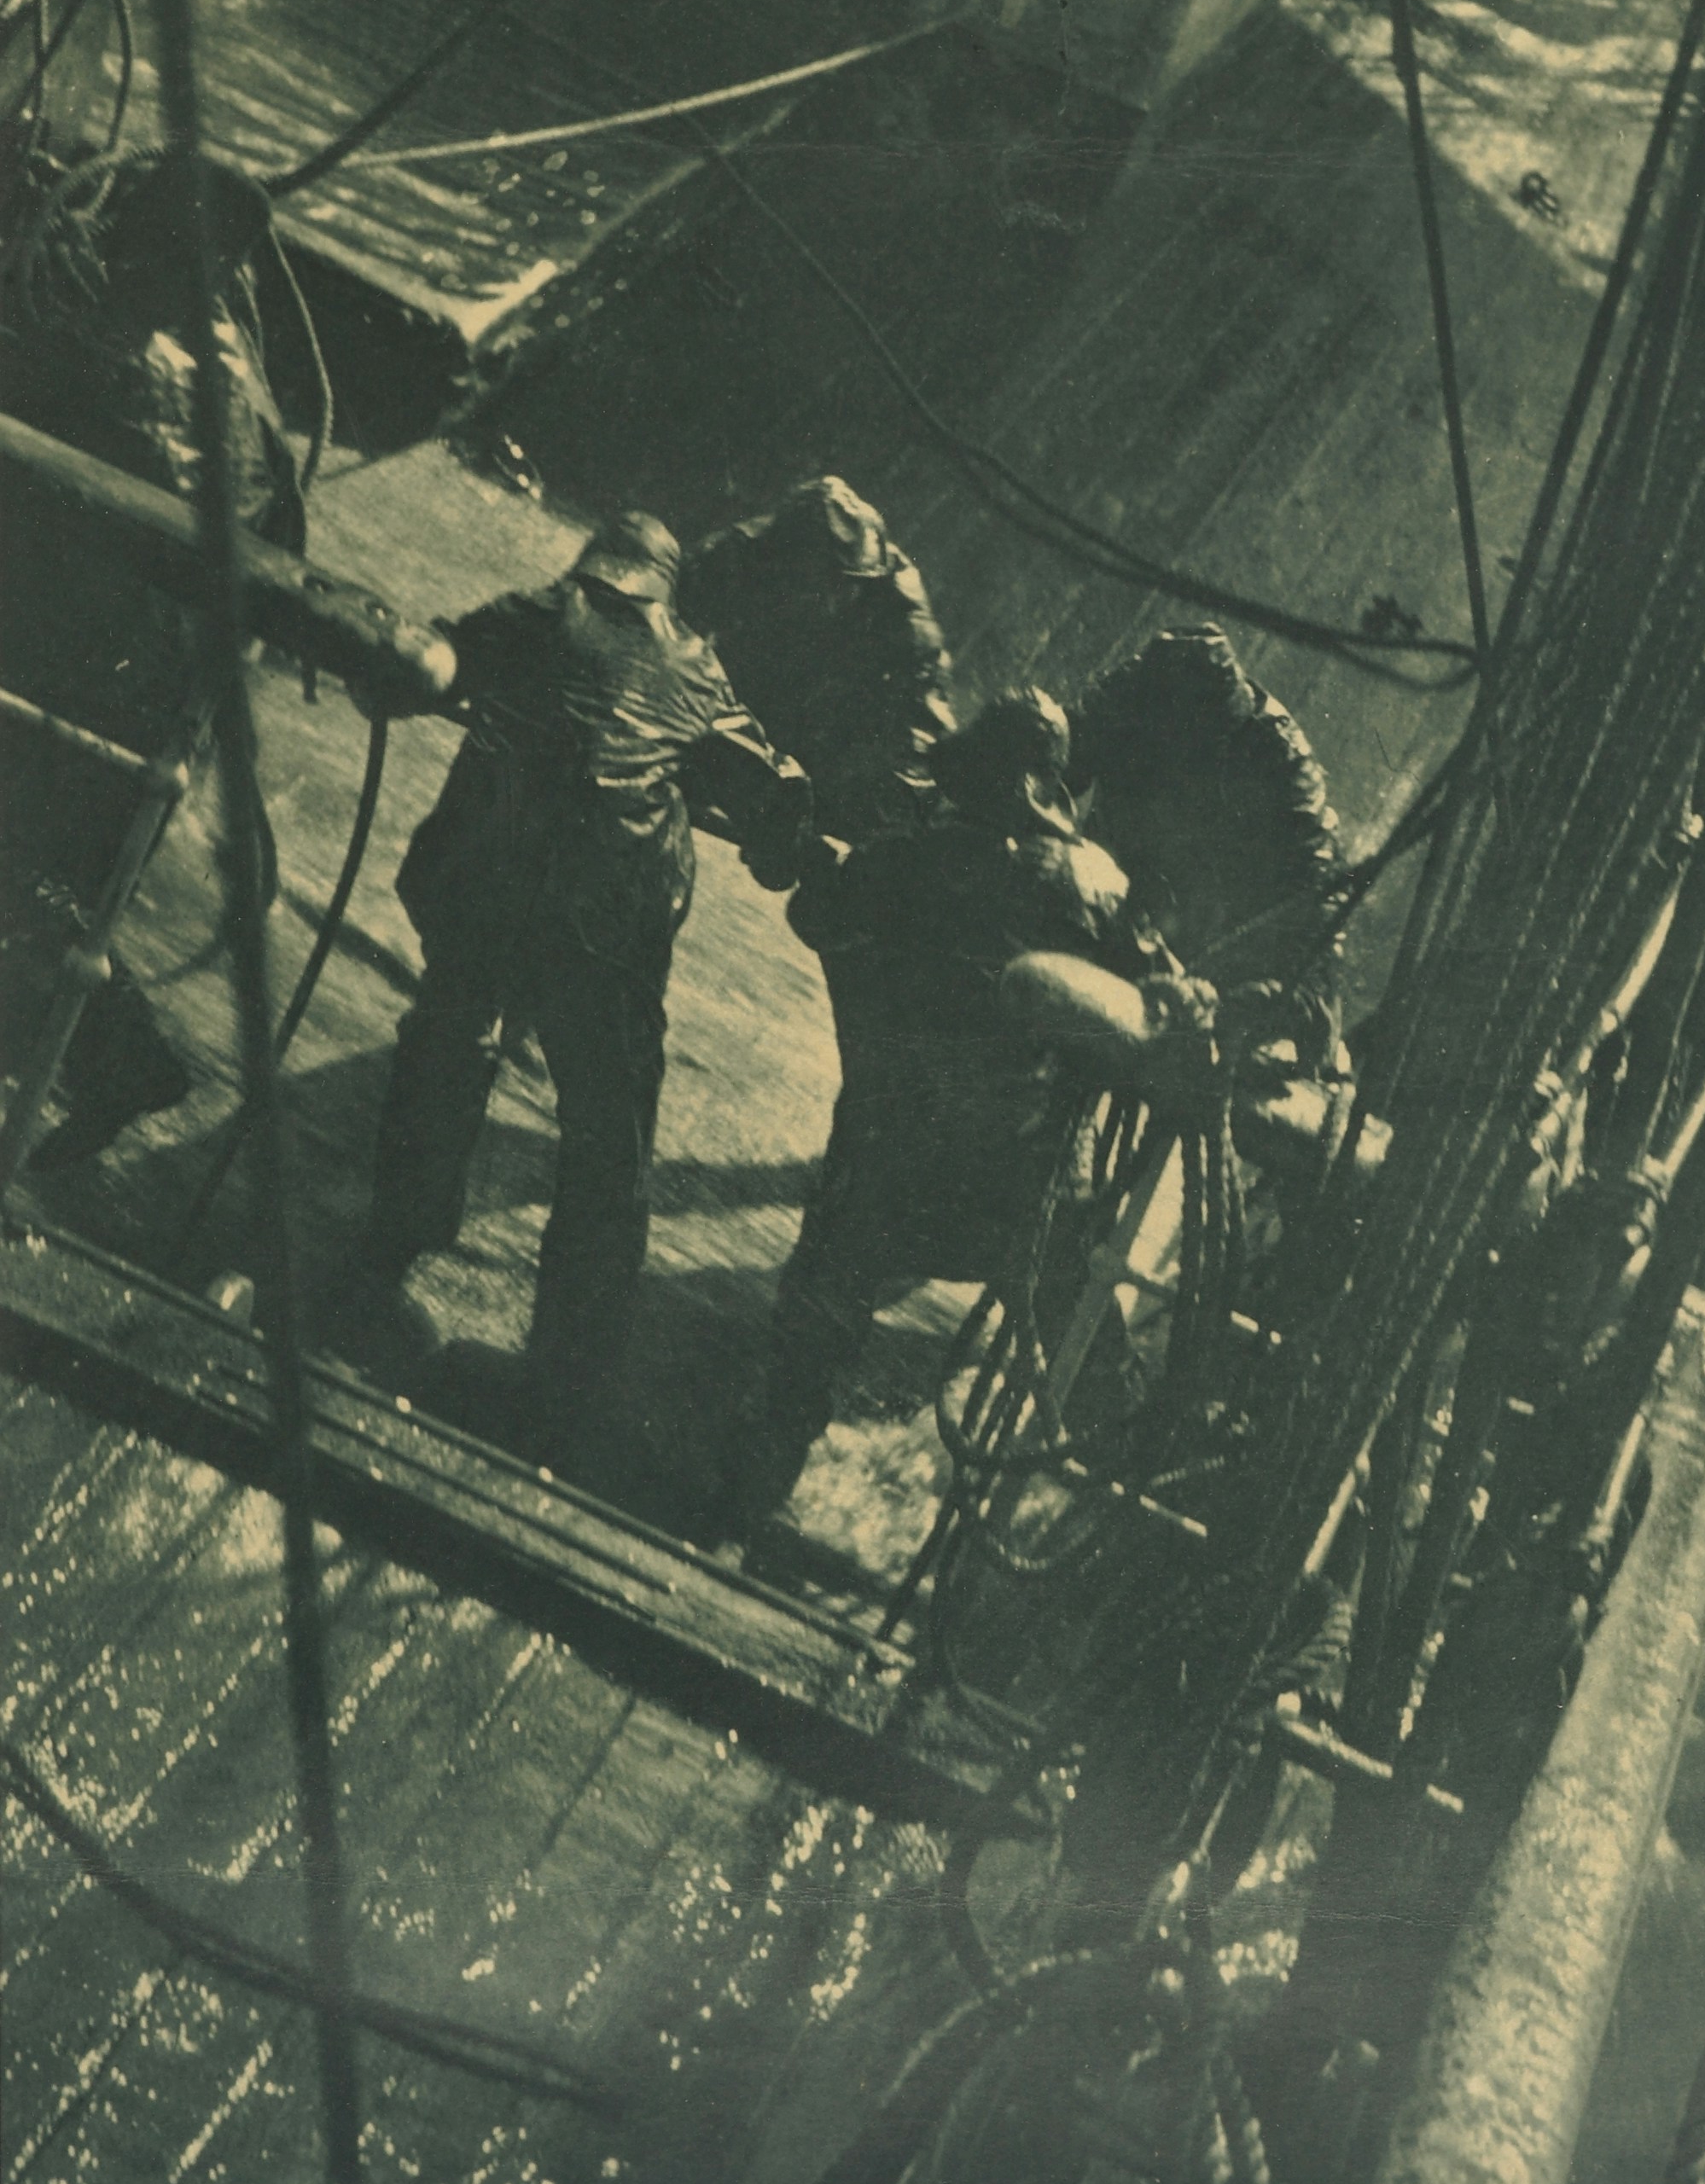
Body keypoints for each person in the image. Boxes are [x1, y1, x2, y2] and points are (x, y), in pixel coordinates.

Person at [347, 513, 813, 1422]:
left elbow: (425, 666)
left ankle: (384, 1263)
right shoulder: (698, 666)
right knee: (609, 1129)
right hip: (615, 912)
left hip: (496, 877)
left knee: (448, 1036)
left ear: (595, 567)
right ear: (663, 592)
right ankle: (568, 1368)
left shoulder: (539, 612)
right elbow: (774, 793)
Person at [728, 684, 1212, 1532]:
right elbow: (1158, 997)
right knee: (1081, 1332)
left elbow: (821, 914)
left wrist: (806, 855)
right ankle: (1138, 1508)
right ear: (1047, 788)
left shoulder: (906, 854)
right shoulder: (1098, 882)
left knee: (817, 1311)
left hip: (891, 1155)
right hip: (1024, 1182)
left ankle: (750, 1487)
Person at [0, 148, 310, 1173]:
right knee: (54, 884)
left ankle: (122, 1062)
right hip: (160, 687)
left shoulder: (136, 363)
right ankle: (113, 1064)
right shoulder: (241, 378)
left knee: (27, 880)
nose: (110, 245)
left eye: (130, 232)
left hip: (88, 678)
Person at [683, 473, 953, 845]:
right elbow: (660, 622)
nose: (814, 594)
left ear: (862, 581)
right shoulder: (749, 548)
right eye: (800, 576)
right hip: (734, 706)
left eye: (832, 583)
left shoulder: (909, 629)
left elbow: (919, 753)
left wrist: (869, 841)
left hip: (824, 749)